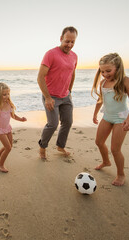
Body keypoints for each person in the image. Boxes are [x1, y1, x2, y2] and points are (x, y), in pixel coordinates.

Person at [91, 53, 129, 186]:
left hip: (121, 118)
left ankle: (121, 174)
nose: (105, 74)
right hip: (107, 117)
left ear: (117, 68)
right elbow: (101, 100)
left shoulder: (125, 81)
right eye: (102, 71)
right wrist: (95, 114)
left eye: (108, 71)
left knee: (115, 149)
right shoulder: (103, 83)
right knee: (99, 142)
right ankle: (106, 161)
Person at [37, 26, 78, 159]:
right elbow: (40, 77)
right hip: (51, 96)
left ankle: (61, 146)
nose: (69, 44)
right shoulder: (51, 54)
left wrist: (69, 91)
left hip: (66, 96)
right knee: (53, 124)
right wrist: (48, 98)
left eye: (72, 42)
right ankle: (43, 147)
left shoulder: (74, 56)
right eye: (67, 41)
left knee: (68, 122)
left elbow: (72, 74)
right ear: (61, 38)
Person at [0, 83, 27, 173]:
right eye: (4, 94)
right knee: (8, 148)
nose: (7, 96)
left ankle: (0, 152)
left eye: (8, 94)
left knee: (10, 145)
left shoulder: (8, 103)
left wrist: (21, 119)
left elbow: (13, 116)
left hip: (7, 128)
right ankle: (0, 165)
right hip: (0, 129)